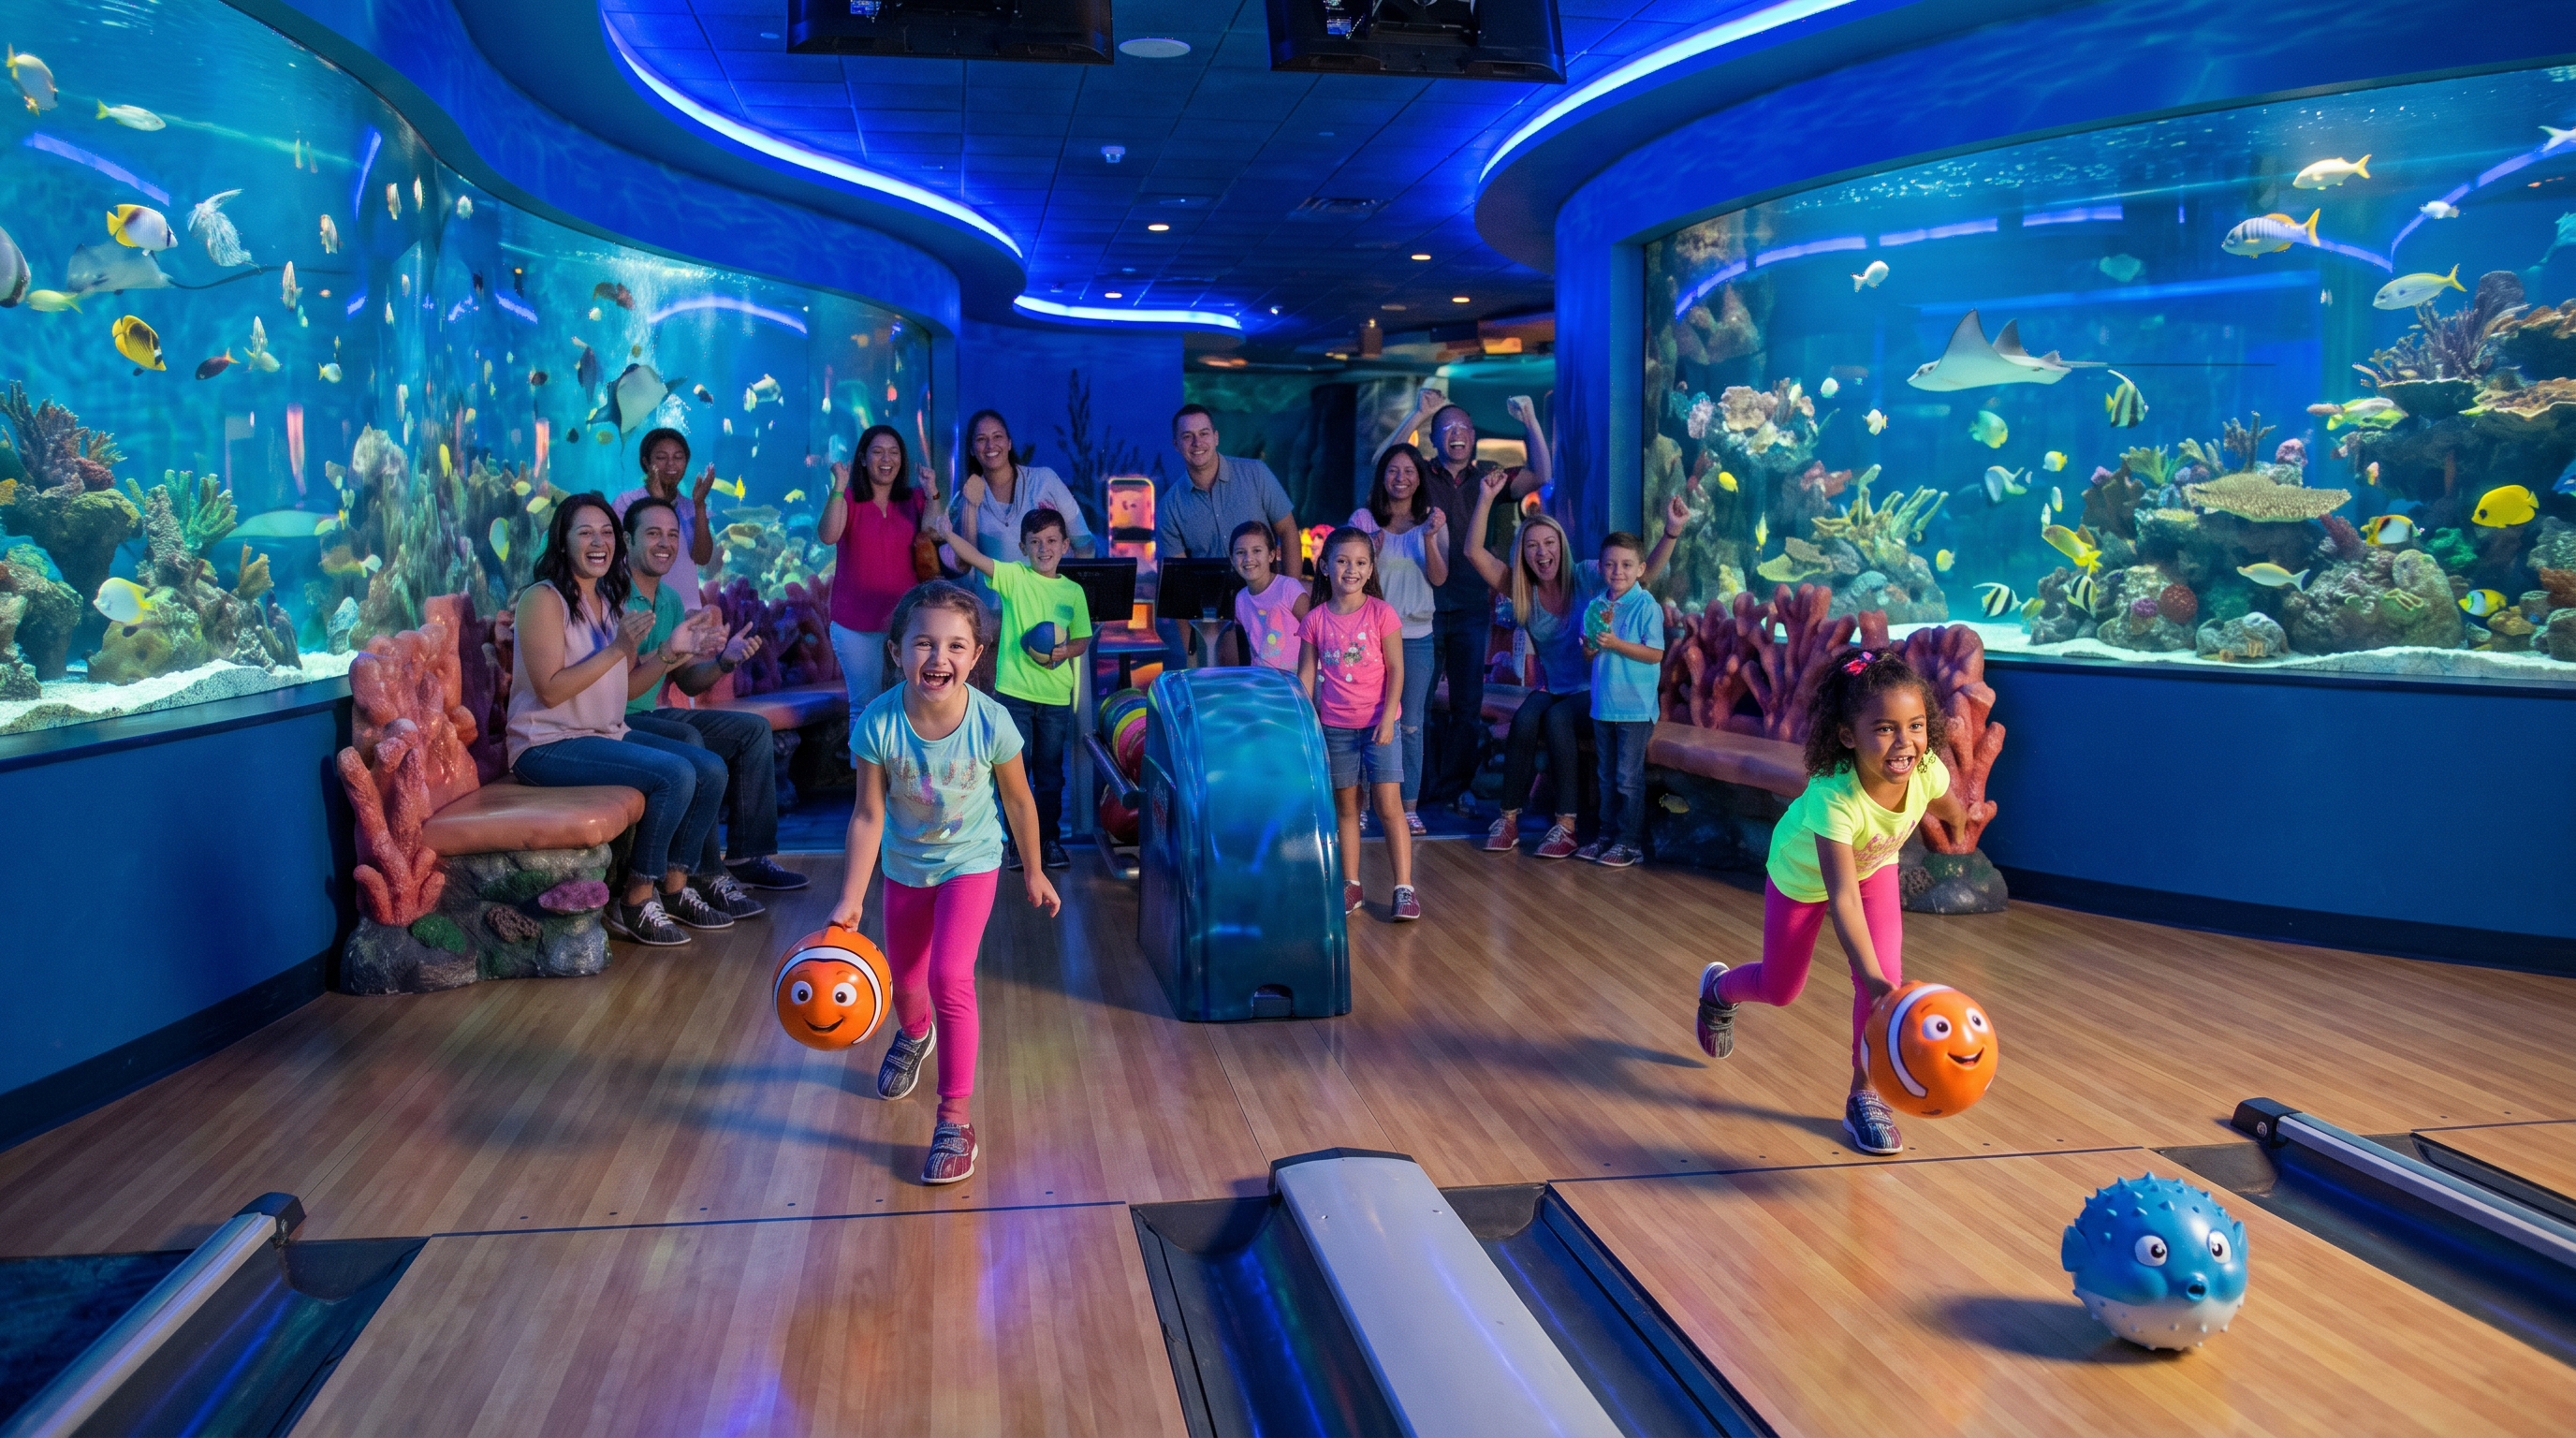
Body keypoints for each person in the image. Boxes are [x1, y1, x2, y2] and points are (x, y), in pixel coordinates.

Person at [1692, 649, 1968, 1158]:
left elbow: (1945, 798)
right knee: (1782, 989)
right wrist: (1876, 981)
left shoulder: (1924, 769)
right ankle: (1719, 989)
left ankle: (1864, 1096)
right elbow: (1841, 899)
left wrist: (1957, 821)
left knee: (1882, 976)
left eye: (1916, 725)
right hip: (1803, 879)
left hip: (1874, 868)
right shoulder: (1833, 798)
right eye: (1884, 728)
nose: (1904, 742)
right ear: (1847, 736)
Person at [834, 580, 1061, 1185]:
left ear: (977, 655)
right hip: (906, 868)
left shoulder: (992, 722)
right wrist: (850, 901)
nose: (940, 659)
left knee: (949, 977)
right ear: (896, 652)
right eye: (925, 644)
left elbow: (1018, 800)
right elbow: (867, 815)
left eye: (956, 646)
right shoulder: (879, 725)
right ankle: (914, 1034)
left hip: (973, 863)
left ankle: (954, 1119)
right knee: (906, 983)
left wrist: (1033, 870)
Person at [505, 493, 734, 946]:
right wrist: (615, 648)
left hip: (603, 732)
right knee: (675, 774)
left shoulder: (608, 600)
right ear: (563, 541)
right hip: (546, 744)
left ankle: (674, 889)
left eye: (606, 532)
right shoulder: (542, 600)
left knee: (710, 769)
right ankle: (634, 898)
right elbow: (550, 690)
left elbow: (626, 689)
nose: (599, 541)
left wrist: (672, 650)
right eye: (586, 532)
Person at [1462, 477, 1690, 858]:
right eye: (1532, 546)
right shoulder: (1521, 589)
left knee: (1557, 719)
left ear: (1561, 548)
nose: (1542, 552)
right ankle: (1509, 818)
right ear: (1523, 555)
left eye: (1549, 543)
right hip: (1555, 690)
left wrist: (1671, 531)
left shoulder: (1586, 575)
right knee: (1524, 719)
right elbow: (1473, 552)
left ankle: (1566, 825)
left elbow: (1642, 573)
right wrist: (1486, 497)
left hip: (1597, 691)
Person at [620, 496, 809, 904]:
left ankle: (748, 856)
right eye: (653, 534)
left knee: (752, 729)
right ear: (627, 540)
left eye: (672, 535)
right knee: (690, 739)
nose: (664, 543)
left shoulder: (669, 600)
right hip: (616, 722)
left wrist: (723, 662)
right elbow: (623, 690)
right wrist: (669, 652)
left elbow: (686, 682)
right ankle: (704, 872)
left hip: (651, 713)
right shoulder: (614, 598)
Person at [1376, 390, 1551, 809]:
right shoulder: (1420, 477)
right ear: (1434, 439)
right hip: (1423, 609)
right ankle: (1415, 789)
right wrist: (1419, 413)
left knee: (1466, 707)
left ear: (1473, 437)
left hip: (1472, 607)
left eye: (1464, 429)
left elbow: (1540, 473)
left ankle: (1454, 791)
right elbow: (1387, 461)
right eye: (1447, 428)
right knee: (1412, 704)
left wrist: (1528, 416)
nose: (1457, 435)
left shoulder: (1489, 477)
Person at [926, 505, 1092, 869]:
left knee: (1050, 774)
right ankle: (1018, 842)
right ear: (1022, 548)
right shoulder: (1015, 577)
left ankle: (1049, 841)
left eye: (1051, 541)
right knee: (1015, 770)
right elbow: (977, 558)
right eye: (1035, 542)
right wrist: (948, 533)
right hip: (1015, 695)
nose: (1044, 549)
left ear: (1065, 545)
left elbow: (1082, 640)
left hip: (1054, 698)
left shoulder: (1074, 592)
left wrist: (1066, 650)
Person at [1299, 527, 1417, 922]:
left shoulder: (1382, 613)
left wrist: (1387, 719)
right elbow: (1306, 677)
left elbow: (1398, 669)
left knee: (1389, 805)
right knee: (1346, 808)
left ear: (1371, 570)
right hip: (1335, 727)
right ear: (1325, 566)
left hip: (1380, 725)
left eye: (1361, 562)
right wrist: (1307, 723)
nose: (1352, 569)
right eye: (1343, 561)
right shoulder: (1315, 619)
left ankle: (1404, 888)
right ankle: (1351, 884)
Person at [1347, 445, 1447, 835]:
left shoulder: (1432, 522)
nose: (1401, 477)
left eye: (1409, 470)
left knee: (1410, 724)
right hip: (1368, 636)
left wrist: (1429, 538)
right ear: (1382, 476)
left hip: (1416, 635)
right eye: (1393, 470)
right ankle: (1364, 803)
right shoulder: (1362, 519)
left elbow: (1439, 578)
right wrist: (1369, 548)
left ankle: (1408, 808)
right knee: (1363, 720)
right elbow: (1349, 575)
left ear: (1420, 477)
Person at [819, 424, 933, 712]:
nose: (886, 459)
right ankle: (863, 759)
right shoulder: (849, 499)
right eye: (878, 452)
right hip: (855, 625)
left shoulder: (914, 499)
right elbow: (828, 535)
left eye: (894, 452)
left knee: (908, 706)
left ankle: (899, 760)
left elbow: (933, 535)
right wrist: (838, 486)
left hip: (906, 623)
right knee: (865, 707)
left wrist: (932, 493)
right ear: (862, 458)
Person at [1575, 531, 1666, 869]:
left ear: (1641, 568)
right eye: (1611, 564)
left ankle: (1630, 842)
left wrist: (1614, 643)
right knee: (1606, 776)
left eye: (1627, 565)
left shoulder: (1647, 606)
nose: (1618, 571)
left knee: (1628, 777)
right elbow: (1588, 655)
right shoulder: (1596, 604)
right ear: (1600, 568)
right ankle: (1606, 835)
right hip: (1603, 705)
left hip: (1635, 709)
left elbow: (1655, 653)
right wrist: (1591, 645)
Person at [1158, 404, 1303, 579]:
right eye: (1188, 436)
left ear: (1216, 437)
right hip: (1210, 601)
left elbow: (1287, 530)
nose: (1197, 442)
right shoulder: (1169, 507)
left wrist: (1292, 591)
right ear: (1176, 445)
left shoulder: (1256, 473)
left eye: (1204, 433)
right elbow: (1180, 575)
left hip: (1266, 597)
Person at [951, 410, 1092, 580]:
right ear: (972, 450)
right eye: (981, 439)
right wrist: (968, 505)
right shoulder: (965, 499)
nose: (990, 445)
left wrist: (1069, 593)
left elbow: (1085, 545)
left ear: (1009, 443)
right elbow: (964, 565)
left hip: (1047, 604)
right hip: (994, 606)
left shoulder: (1045, 480)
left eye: (997, 437)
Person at [616, 428, 718, 606]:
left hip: (687, 609)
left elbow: (702, 558)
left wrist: (700, 505)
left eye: (678, 457)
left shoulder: (692, 506)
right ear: (646, 462)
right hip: (640, 609)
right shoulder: (626, 502)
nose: (671, 464)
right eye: (661, 458)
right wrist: (660, 501)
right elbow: (620, 555)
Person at [1230, 520, 1307, 672]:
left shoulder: (1287, 587)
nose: (1248, 558)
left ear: (1271, 555)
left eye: (1256, 551)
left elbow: (1315, 629)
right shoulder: (1240, 599)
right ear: (1232, 559)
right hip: (1264, 683)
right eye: (1240, 552)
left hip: (1297, 681)